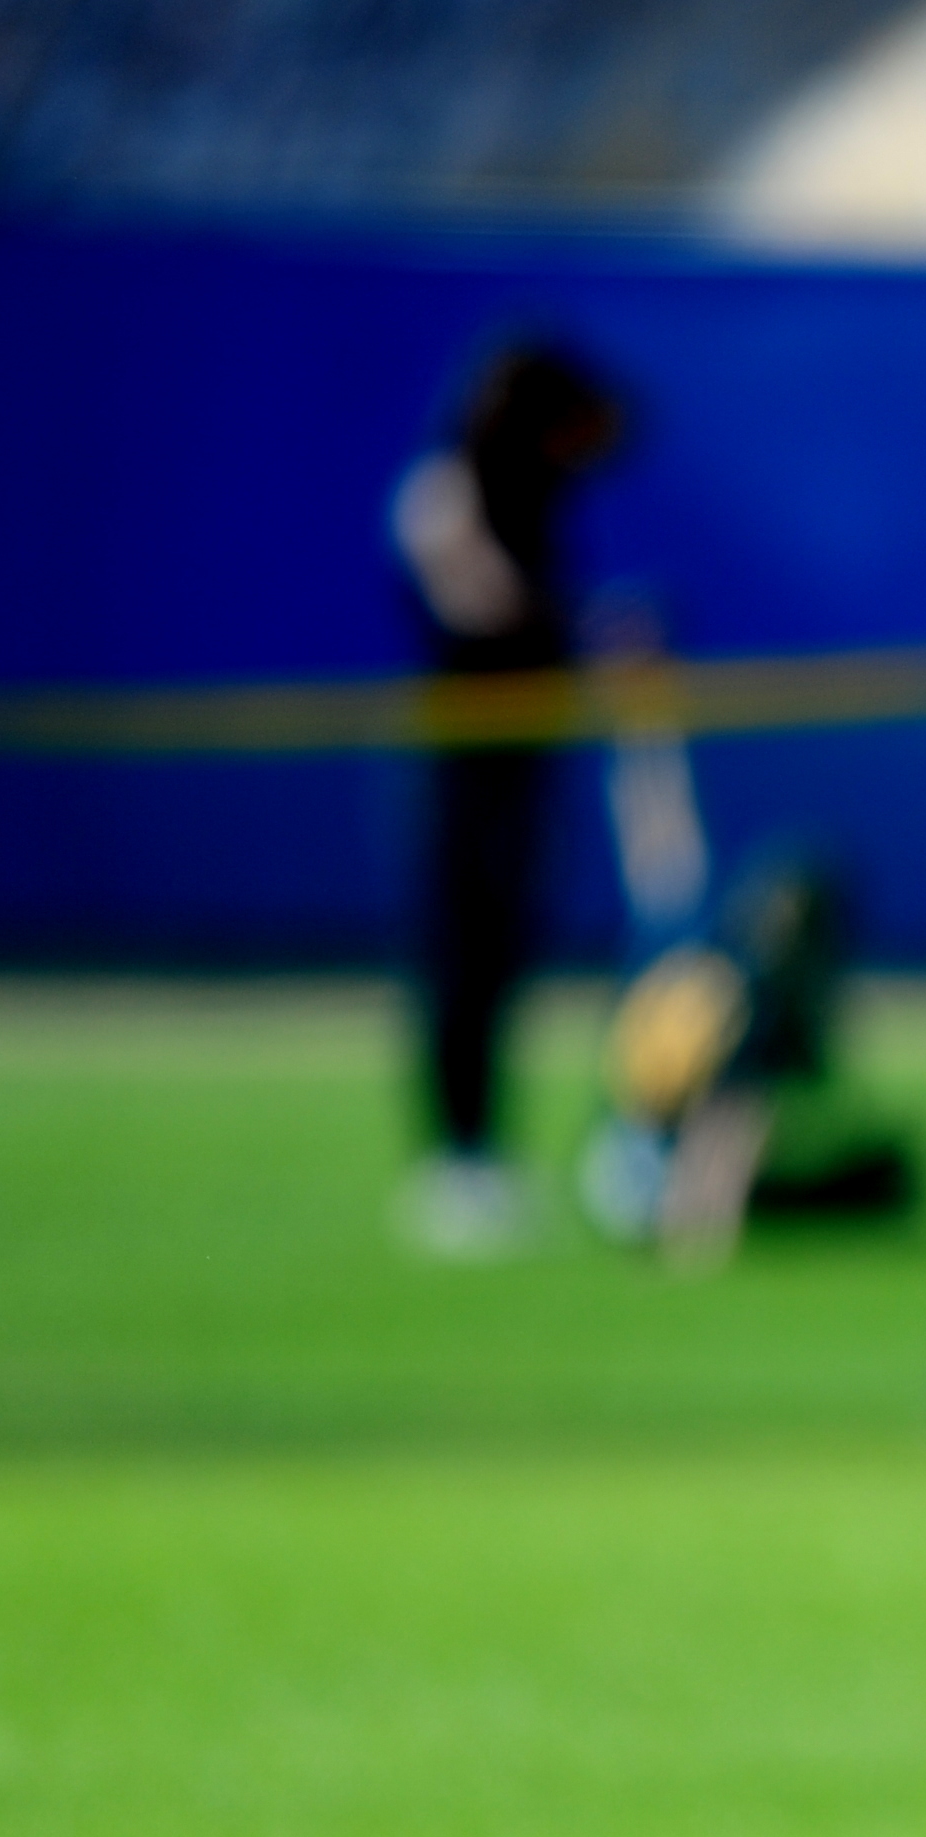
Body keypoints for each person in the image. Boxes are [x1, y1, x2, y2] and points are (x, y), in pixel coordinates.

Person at [389, 338, 626, 1257]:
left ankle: (487, 1153)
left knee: (506, 955)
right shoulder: (443, 490)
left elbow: (616, 430)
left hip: (528, 752)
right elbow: (477, 600)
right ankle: (455, 1161)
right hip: (465, 755)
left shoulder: (539, 485)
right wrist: (576, 624)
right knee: (462, 956)